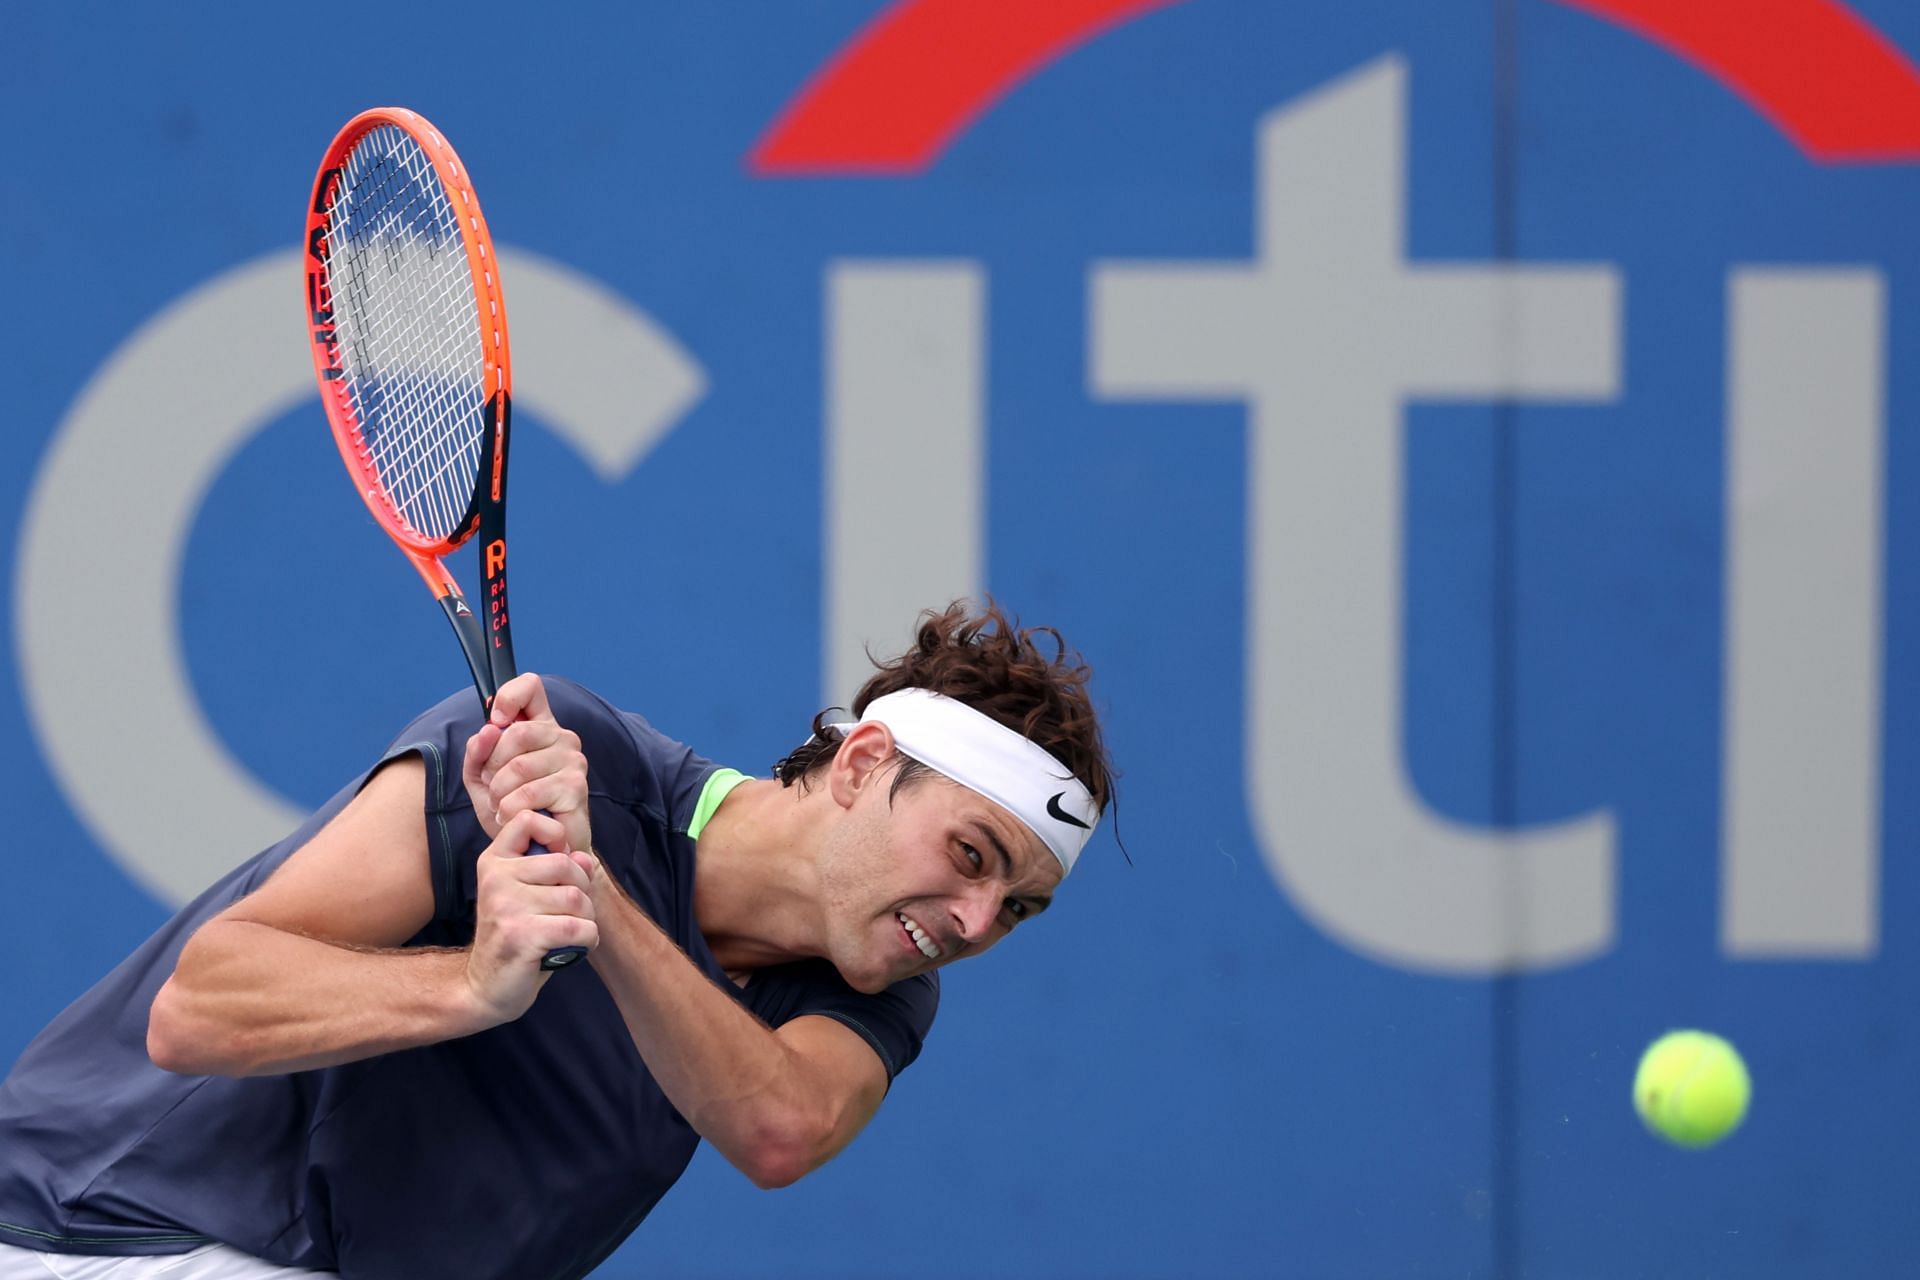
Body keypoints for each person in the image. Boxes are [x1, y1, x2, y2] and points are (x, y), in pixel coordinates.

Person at [0, 601, 1114, 1280]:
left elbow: (779, 1129)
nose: (974, 924)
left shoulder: (873, 993)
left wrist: (592, 895)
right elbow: (198, 1008)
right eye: (971, 855)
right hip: (108, 1227)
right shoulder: (570, 756)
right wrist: (474, 984)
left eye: (1017, 907)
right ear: (864, 763)